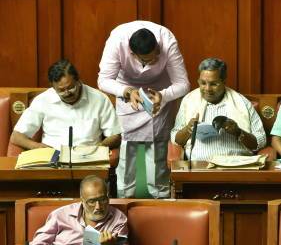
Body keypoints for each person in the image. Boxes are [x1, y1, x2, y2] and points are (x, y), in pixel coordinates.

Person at [98, 22, 190, 198]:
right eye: (148, 59)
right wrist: (126, 91)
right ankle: (124, 198)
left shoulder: (167, 40)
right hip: (127, 89)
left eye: (156, 55)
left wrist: (163, 95)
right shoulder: (117, 41)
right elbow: (103, 80)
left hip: (160, 92)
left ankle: (160, 197)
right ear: (132, 54)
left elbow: (183, 84)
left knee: (157, 154)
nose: (154, 60)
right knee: (126, 152)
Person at [10, 59, 121, 151]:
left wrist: (97, 149)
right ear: (53, 88)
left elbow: (115, 135)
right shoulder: (43, 100)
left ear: (78, 81)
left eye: (71, 87)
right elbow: (16, 137)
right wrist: (38, 147)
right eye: (61, 90)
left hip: (88, 157)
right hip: (52, 159)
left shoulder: (99, 99)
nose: (67, 93)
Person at [171, 57, 266, 161]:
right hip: (199, 166)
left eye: (213, 84)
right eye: (203, 83)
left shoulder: (242, 102)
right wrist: (188, 128)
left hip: (236, 165)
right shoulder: (189, 100)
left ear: (224, 82)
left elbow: (260, 141)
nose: (207, 89)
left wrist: (238, 132)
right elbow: (176, 139)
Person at [29, 175, 128, 245]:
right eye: (92, 201)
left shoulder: (118, 220)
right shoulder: (61, 215)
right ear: (82, 200)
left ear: (108, 197)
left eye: (102, 199)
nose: (98, 207)